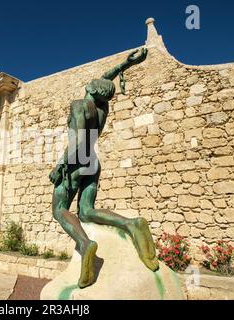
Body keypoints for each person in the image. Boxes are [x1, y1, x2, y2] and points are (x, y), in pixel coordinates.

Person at [49, 47, 159, 288]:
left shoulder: (79, 105)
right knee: (87, 211)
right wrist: (125, 65)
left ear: (91, 88)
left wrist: (62, 165)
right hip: (93, 161)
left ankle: (86, 244)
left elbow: (78, 141)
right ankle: (131, 224)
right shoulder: (102, 109)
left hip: (77, 160)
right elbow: (106, 81)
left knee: (59, 209)